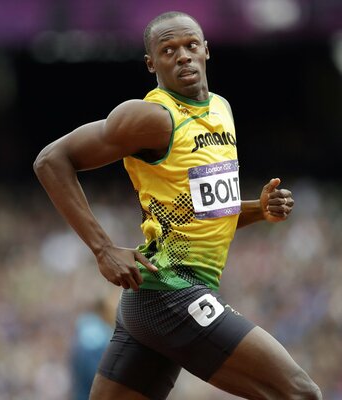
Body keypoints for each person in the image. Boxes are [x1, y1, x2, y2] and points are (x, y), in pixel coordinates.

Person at [33, 11, 321, 400]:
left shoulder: (221, 109)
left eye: (190, 46)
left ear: (206, 50)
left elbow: (199, 213)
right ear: (152, 63)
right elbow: (51, 161)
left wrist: (257, 209)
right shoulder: (150, 118)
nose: (182, 56)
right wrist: (102, 248)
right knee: (300, 393)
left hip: (154, 301)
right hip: (171, 290)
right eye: (168, 50)